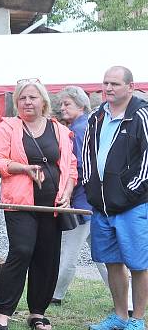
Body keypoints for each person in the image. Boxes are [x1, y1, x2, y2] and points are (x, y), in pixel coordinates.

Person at [0, 78, 77, 330]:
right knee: (22, 251)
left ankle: (38, 312)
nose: (28, 102)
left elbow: (71, 166)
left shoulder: (58, 129)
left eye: (33, 97)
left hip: (52, 204)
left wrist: (67, 193)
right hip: (20, 203)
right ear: (17, 102)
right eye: (23, 98)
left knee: (47, 257)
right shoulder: (8, 127)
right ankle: (3, 313)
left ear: (43, 102)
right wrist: (23, 169)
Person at [83, 66, 148, 330]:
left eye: (115, 84)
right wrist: (90, 188)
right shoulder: (97, 116)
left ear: (130, 87)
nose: (108, 89)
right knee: (112, 261)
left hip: (133, 205)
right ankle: (120, 316)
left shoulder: (142, 115)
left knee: (138, 263)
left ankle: (138, 320)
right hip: (102, 206)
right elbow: (87, 153)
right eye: (105, 83)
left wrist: (129, 191)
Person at [52, 86, 108, 305]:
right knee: (103, 254)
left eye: (67, 104)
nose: (62, 107)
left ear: (81, 105)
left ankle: (55, 295)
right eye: (62, 104)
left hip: (82, 200)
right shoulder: (89, 125)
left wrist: (67, 191)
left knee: (68, 251)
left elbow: (80, 168)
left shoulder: (77, 130)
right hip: (95, 201)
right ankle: (128, 298)